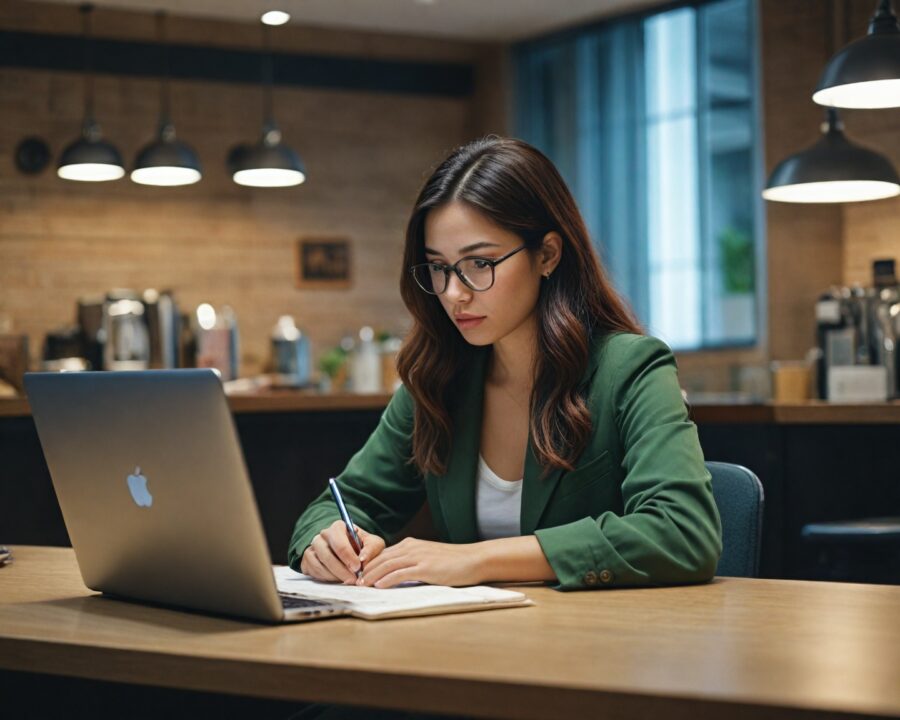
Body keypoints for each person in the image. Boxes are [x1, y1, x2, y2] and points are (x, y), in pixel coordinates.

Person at [288, 136, 721, 591]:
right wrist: (325, 543)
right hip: (473, 645)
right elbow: (341, 505)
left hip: (599, 648)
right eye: (438, 267)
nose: (455, 293)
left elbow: (683, 531)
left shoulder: (630, 369)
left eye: (480, 262)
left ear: (548, 255)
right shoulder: (438, 377)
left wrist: (476, 561)